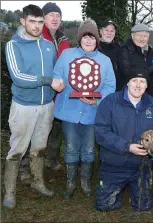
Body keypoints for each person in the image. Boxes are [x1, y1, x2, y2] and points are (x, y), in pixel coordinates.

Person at [52, 19, 116, 198]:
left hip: (93, 114)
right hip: (69, 111)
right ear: (80, 38)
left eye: (92, 37)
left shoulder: (105, 61)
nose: (89, 41)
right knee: (71, 147)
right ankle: (71, 183)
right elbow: (57, 75)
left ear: (97, 40)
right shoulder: (66, 55)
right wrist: (58, 84)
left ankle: (85, 182)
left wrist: (96, 101)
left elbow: (110, 86)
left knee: (88, 149)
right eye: (85, 37)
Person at [3, 4, 58, 209]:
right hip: (24, 107)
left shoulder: (48, 45)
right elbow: (18, 77)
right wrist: (47, 80)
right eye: (32, 21)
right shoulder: (13, 45)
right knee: (17, 150)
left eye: (39, 22)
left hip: (46, 106)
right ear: (23, 21)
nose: (36, 26)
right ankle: (9, 191)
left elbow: (56, 72)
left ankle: (38, 182)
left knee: (39, 148)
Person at [94, 67, 153, 212]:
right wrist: (127, 146)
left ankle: (137, 190)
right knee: (105, 206)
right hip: (114, 162)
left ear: (147, 85)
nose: (138, 85)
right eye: (134, 81)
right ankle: (117, 189)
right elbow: (100, 131)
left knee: (144, 205)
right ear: (127, 83)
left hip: (142, 165)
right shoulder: (110, 101)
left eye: (142, 81)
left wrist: (152, 146)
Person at [18, 1, 71, 185]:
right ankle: (24, 167)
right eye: (51, 15)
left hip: (58, 93)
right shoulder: (38, 38)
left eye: (58, 15)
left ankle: (51, 159)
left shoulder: (64, 39)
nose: (55, 18)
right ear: (43, 18)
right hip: (37, 93)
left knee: (54, 128)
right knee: (30, 131)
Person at [117, 24, 153, 98]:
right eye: (139, 35)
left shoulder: (151, 51)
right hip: (129, 94)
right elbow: (127, 72)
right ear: (132, 36)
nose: (142, 39)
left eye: (144, 36)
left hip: (149, 94)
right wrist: (151, 69)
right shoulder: (125, 51)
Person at [98, 19, 123, 91]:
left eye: (112, 31)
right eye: (106, 30)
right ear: (100, 31)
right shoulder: (94, 47)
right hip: (97, 88)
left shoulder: (119, 49)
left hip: (116, 89)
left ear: (115, 33)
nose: (109, 33)